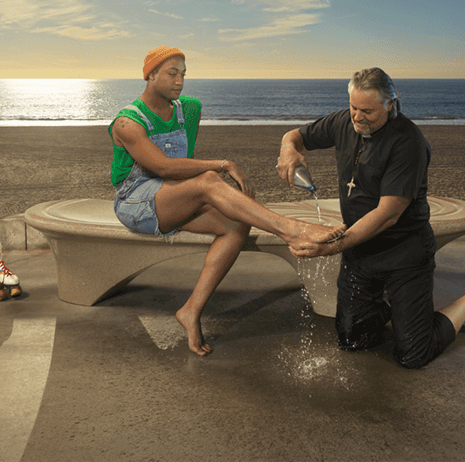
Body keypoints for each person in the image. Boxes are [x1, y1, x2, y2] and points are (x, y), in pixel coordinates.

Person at [110, 46, 345, 356]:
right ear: (150, 74)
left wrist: (211, 193)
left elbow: (182, 163)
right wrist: (222, 165)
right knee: (209, 180)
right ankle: (292, 230)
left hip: (172, 193)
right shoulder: (127, 123)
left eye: (183, 73)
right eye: (171, 73)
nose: (180, 80)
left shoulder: (189, 108)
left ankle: (191, 311)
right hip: (135, 201)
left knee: (237, 224)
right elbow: (163, 167)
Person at [276, 67, 465, 369]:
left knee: (413, 355)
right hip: (361, 252)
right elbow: (295, 135)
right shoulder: (343, 121)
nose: (358, 117)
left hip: (403, 254)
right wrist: (288, 151)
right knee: (353, 340)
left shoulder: (408, 142)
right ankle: (401, 313)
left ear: (390, 105)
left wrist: (329, 247)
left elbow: (387, 215)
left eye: (368, 111)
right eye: (353, 108)